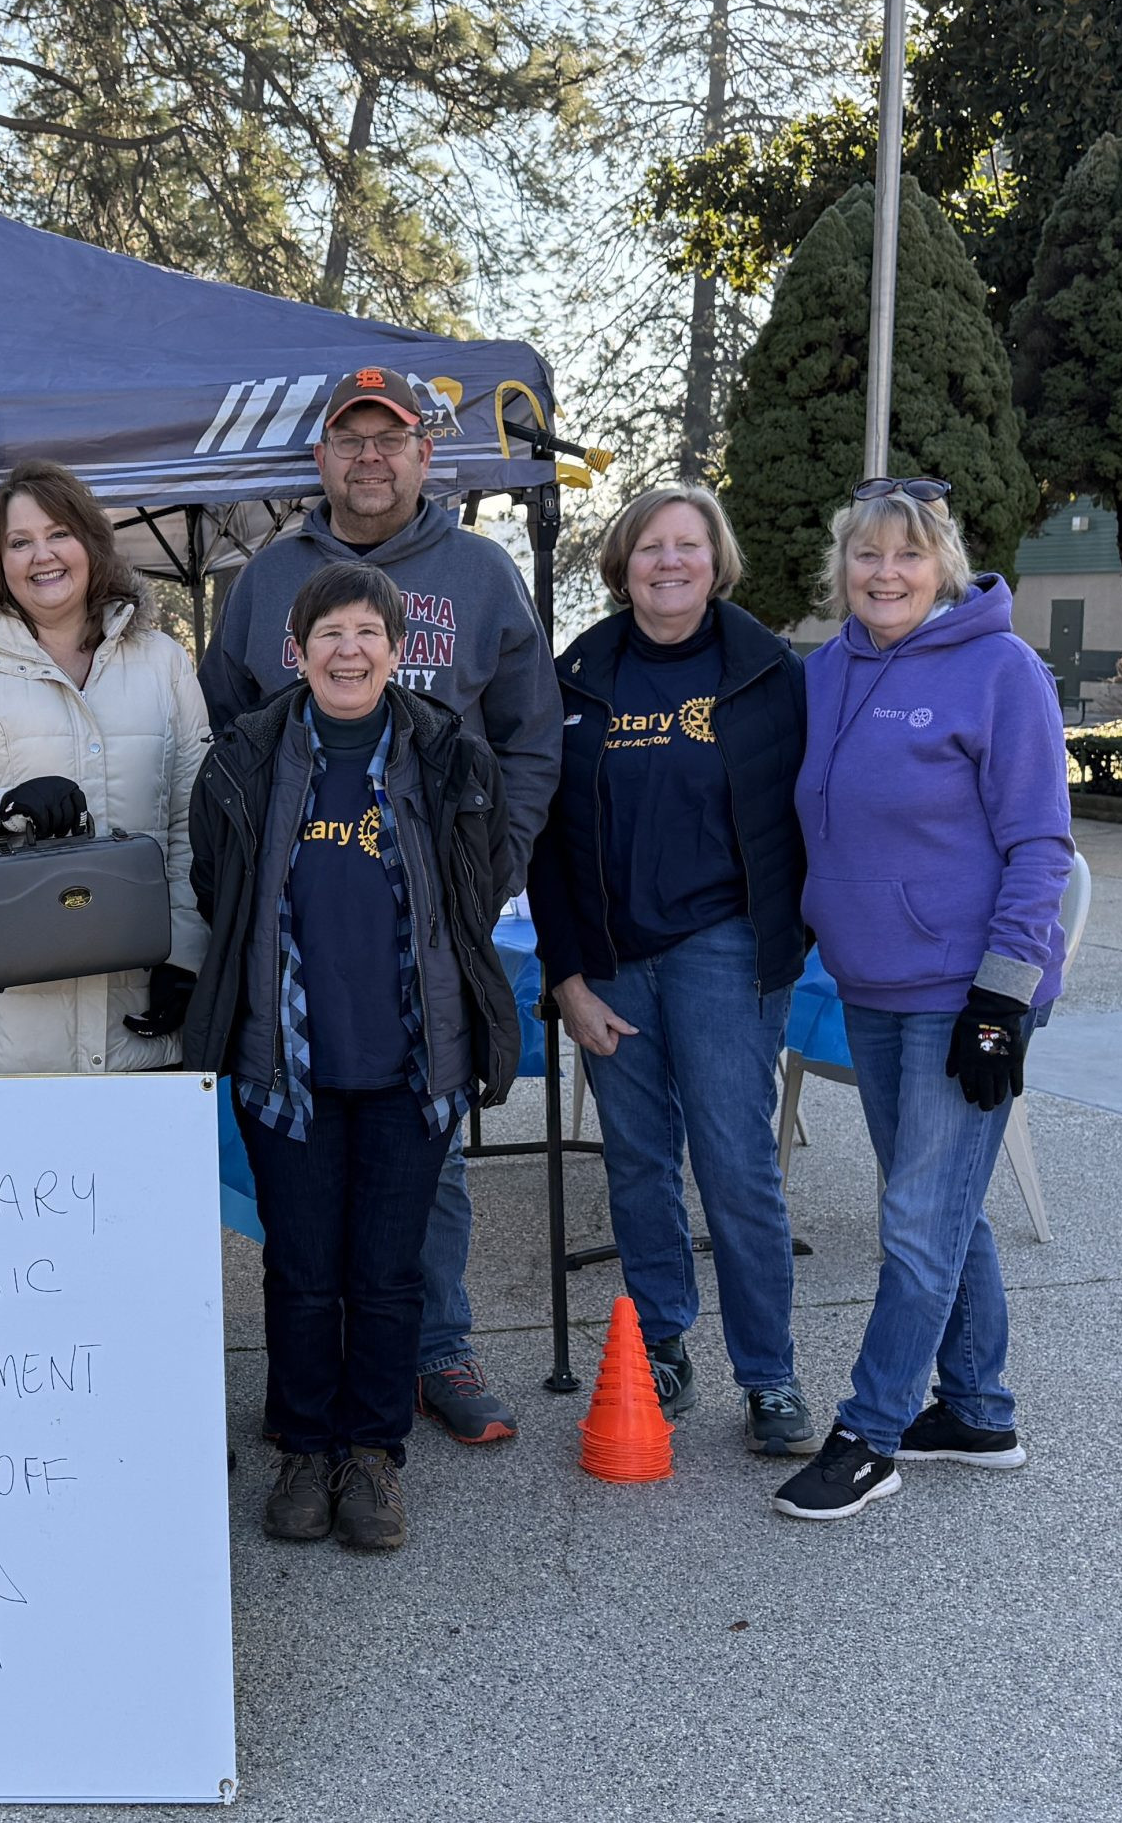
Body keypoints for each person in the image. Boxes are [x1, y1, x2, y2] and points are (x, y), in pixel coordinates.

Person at [196, 366, 557, 1445]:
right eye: (348, 440)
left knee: (426, 1154)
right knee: (312, 1188)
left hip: (429, 929)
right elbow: (225, 739)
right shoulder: (267, 579)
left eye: (387, 439)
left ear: (422, 456)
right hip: (299, 938)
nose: (368, 458)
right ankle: (326, 1391)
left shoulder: (482, 572)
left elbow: (531, 738)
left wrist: (484, 873)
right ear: (320, 460)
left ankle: (432, 1349)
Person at [183, 561, 520, 1551]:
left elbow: (480, 880)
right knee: (300, 1269)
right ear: (297, 650)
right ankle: (301, 1442)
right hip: (286, 1065)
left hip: (411, 1065)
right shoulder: (247, 756)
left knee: (383, 1272)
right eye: (327, 632)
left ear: (398, 648)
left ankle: (370, 1452)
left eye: (367, 632)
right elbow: (217, 884)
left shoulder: (445, 755)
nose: (347, 649)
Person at [773, 479, 1073, 1521]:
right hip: (870, 986)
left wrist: (1002, 1000)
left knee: (914, 1221)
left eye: (905, 555)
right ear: (841, 569)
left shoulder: (1001, 671)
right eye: (866, 556)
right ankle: (981, 1412)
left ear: (941, 562)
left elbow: (1041, 847)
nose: (884, 573)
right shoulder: (825, 673)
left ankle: (872, 1432)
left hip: (964, 993)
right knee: (936, 1208)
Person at [528, 486, 813, 1454]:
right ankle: (656, 1342)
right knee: (639, 1163)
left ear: (715, 559)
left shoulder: (771, 674)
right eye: (650, 546)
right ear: (622, 563)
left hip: (724, 951)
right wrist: (566, 980)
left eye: (688, 545)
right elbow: (546, 843)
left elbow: (815, 813)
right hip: (611, 960)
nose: (669, 562)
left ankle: (768, 1375)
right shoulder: (574, 677)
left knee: (735, 1167)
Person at [0, 461, 209, 1073]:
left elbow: (193, 831)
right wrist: (1, 810)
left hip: (133, 1020)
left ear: (90, 541)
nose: (43, 556)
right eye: (19, 542)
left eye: (58, 533)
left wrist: (186, 956)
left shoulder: (164, 663)